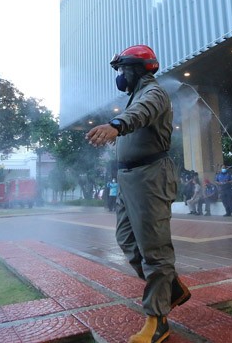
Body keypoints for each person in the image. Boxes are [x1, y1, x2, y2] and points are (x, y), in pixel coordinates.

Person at [84, 44, 190, 343]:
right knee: (128, 243)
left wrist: (116, 125)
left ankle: (157, 321)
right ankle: (172, 289)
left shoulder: (152, 93)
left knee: (154, 251)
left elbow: (142, 115)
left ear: (135, 69)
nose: (119, 76)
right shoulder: (134, 95)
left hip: (150, 177)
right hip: (129, 179)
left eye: (121, 70)